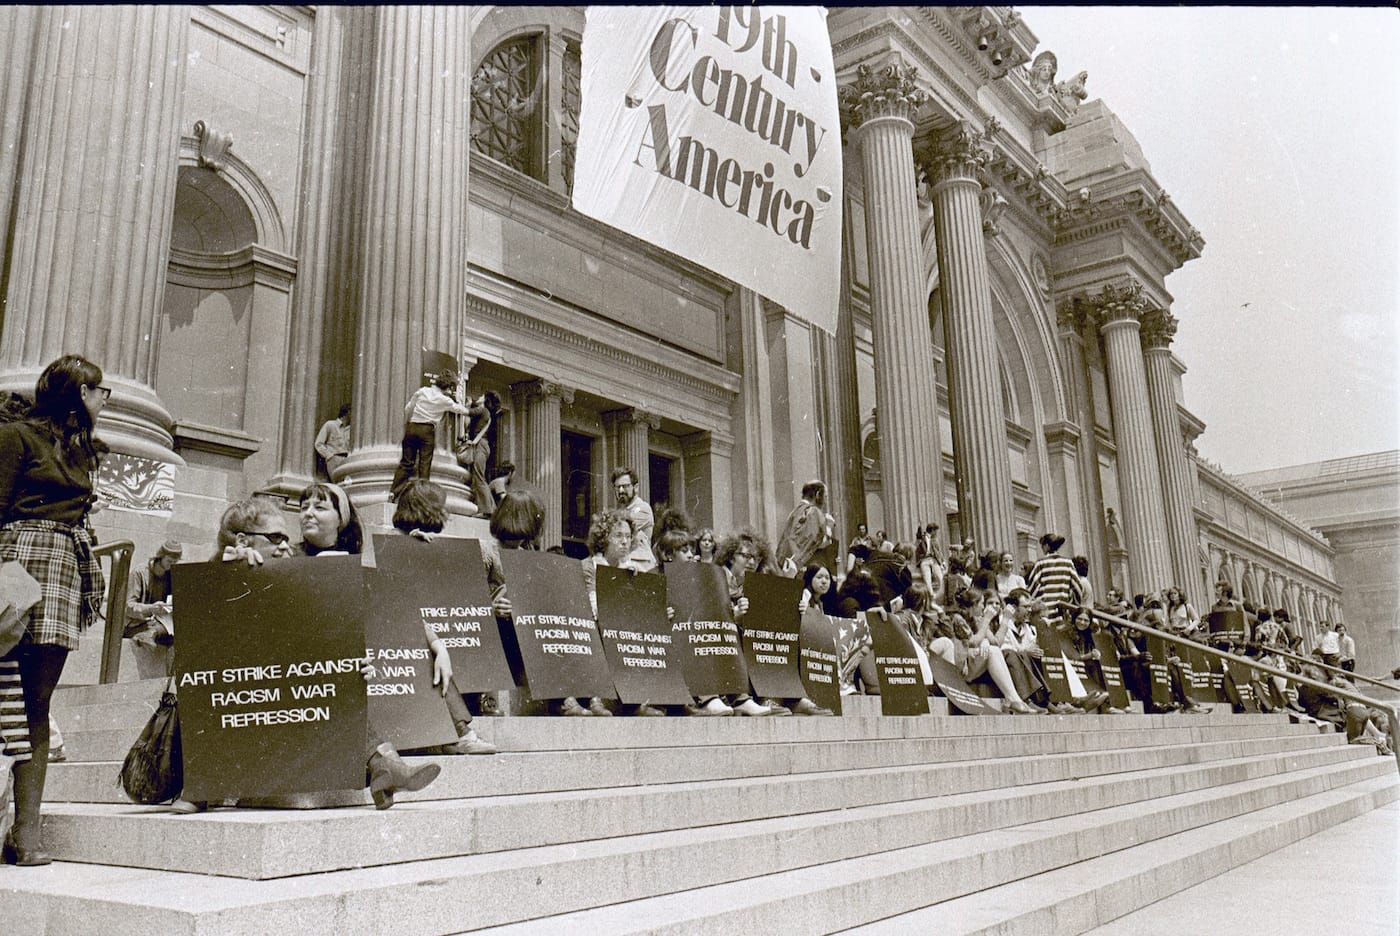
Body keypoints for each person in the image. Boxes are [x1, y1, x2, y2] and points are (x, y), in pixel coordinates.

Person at [0, 355, 110, 865]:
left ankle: (27, 834)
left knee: (35, 703)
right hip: (16, 566)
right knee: (15, 699)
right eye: (100, 391)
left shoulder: (81, 450)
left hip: (61, 569)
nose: (104, 400)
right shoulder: (16, 436)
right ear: (80, 393)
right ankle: (22, 833)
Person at [386, 481, 497, 754]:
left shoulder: (433, 545)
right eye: (442, 507)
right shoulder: (389, 544)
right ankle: (461, 732)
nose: (447, 513)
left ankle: (462, 726)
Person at [391, 371, 470, 500]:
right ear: (448, 387)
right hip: (427, 431)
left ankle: (394, 493)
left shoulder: (422, 391)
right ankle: (421, 497)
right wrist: (464, 404)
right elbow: (460, 410)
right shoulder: (445, 400)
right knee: (424, 465)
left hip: (412, 427)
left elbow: (408, 408)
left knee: (406, 463)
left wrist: (408, 423)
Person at [124, 540, 183, 678]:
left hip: (160, 623)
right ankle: (151, 633)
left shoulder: (171, 574)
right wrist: (151, 608)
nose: (172, 565)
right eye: (169, 561)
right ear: (160, 557)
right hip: (136, 623)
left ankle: (171, 680)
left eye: (175, 562)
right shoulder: (139, 573)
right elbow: (128, 606)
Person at [455, 391, 500, 517]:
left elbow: (465, 412)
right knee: (480, 477)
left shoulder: (482, 410)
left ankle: (486, 511)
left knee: (479, 477)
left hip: (480, 446)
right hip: (483, 446)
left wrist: (460, 403)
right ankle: (492, 509)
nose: (479, 397)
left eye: (481, 396)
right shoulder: (486, 412)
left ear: (485, 400)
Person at [775, 480, 833, 572]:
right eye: (825, 497)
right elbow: (814, 542)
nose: (825, 502)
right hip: (797, 568)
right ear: (818, 494)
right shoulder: (813, 511)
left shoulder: (795, 511)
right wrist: (829, 526)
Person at [1027, 532, 1083, 624]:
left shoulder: (1040, 563)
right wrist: (1072, 605)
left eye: (1042, 546)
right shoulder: (1068, 563)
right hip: (1062, 613)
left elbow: (1032, 589)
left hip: (1045, 614)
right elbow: (1078, 588)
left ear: (1047, 546)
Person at [610, 466, 656, 570]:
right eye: (617, 487)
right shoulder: (622, 511)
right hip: (625, 564)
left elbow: (615, 531)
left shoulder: (643, 509)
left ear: (636, 487)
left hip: (641, 565)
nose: (621, 490)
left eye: (625, 486)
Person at [314, 403, 351, 479]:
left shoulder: (350, 430)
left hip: (347, 460)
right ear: (348, 412)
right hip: (334, 458)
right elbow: (319, 443)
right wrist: (329, 456)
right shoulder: (330, 425)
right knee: (336, 481)